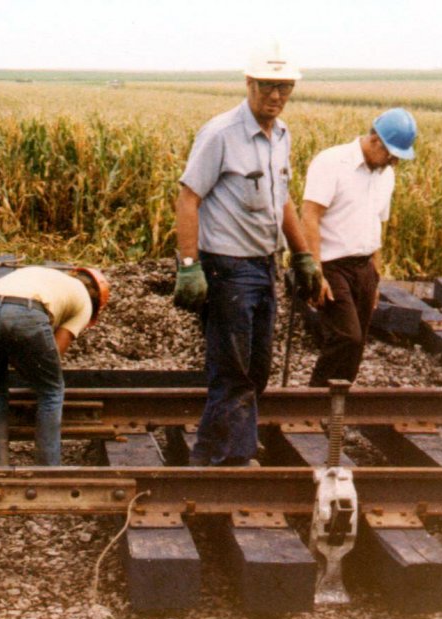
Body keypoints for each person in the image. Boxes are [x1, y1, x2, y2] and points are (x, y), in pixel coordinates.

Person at [173, 44, 321, 467]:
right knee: (233, 371)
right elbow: (188, 198)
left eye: (284, 88)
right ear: (250, 84)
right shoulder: (220, 133)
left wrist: (304, 255)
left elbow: (284, 200)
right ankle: (222, 460)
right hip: (227, 268)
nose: (276, 96)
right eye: (268, 87)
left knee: (256, 371)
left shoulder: (282, 134)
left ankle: (224, 452)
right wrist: (189, 265)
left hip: (263, 265)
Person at [303, 108, 417, 387]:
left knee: (358, 344)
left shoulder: (385, 174)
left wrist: (375, 277)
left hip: (364, 267)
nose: (393, 162)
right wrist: (314, 272)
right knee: (346, 337)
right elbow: (309, 214)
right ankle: (313, 404)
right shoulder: (332, 162)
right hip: (332, 265)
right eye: (391, 154)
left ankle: (335, 410)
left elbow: (376, 224)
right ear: (375, 138)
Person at [0, 266, 109, 466]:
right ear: (97, 303)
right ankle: (48, 469)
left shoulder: (48, 277)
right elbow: (56, 352)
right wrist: (32, 371)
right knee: (51, 390)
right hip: (26, 313)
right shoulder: (85, 303)